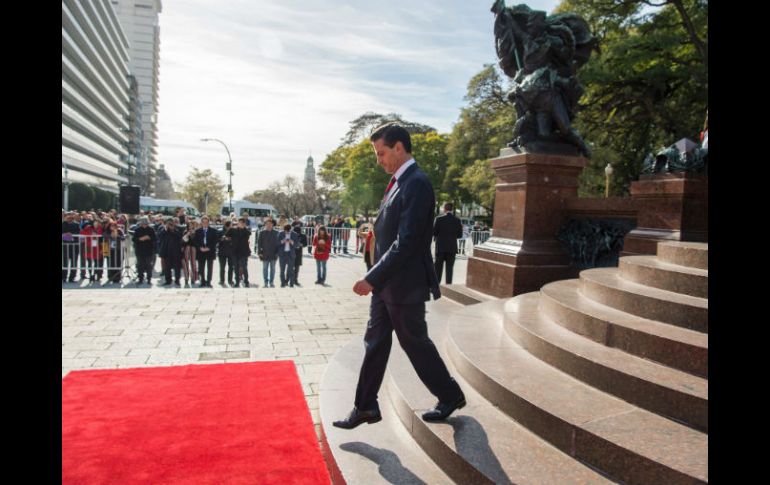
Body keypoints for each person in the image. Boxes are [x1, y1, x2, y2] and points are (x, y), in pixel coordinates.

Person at [334, 122, 465, 430]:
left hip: (404, 284)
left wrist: (372, 277)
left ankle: (450, 394)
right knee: (375, 342)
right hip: (387, 284)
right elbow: (392, 230)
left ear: (399, 148)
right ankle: (365, 406)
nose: (378, 160)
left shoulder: (417, 183)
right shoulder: (398, 181)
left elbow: (407, 241)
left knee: (415, 343)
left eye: (381, 153)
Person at [433, 202, 463, 285]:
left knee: (438, 268)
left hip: (441, 247)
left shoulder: (439, 219)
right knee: (449, 268)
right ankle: (448, 286)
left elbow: (434, 232)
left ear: (445, 209)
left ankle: (436, 285)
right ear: (452, 209)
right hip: (452, 247)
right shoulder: (457, 220)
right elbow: (460, 235)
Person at [194, 215, 219, 287]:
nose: (205, 223)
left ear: (208, 223)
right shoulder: (197, 231)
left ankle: (209, 281)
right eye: (203, 222)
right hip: (201, 251)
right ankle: (202, 281)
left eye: (206, 222)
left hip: (210, 251)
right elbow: (196, 241)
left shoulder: (213, 231)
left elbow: (215, 241)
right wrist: (200, 248)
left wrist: (209, 247)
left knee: (209, 268)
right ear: (201, 223)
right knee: (201, 268)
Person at [158, 217, 182, 286]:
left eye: (171, 223)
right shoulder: (163, 229)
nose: (170, 224)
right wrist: (165, 229)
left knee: (177, 267)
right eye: (168, 223)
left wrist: (173, 229)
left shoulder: (178, 228)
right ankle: (168, 280)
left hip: (176, 251)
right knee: (167, 267)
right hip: (166, 251)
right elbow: (159, 237)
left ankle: (177, 280)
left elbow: (179, 237)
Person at [133, 216, 157, 285]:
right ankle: (140, 278)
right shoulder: (137, 230)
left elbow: (155, 238)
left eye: (146, 223)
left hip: (149, 250)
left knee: (149, 265)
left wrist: (148, 237)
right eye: (143, 223)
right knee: (140, 265)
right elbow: (134, 239)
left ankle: (149, 278)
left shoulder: (151, 230)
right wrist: (140, 239)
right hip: (140, 250)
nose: (144, 225)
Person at [257, 219, 280, 287]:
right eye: (267, 224)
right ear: (265, 225)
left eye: (270, 224)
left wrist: (278, 253)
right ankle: (265, 282)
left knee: (273, 269)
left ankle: (272, 282)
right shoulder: (262, 233)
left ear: (272, 225)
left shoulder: (276, 233)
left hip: (274, 254)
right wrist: (259, 252)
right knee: (265, 269)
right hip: (264, 253)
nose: (269, 225)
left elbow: (279, 244)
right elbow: (259, 243)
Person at [231, 217, 252, 287]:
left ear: (244, 223)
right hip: (235, 251)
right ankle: (237, 282)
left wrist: (244, 227)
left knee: (244, 267)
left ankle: (246, 281)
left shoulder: (246, 230)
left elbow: (249, 234)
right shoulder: (234, 230)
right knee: (236, 268)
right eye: (239, 223)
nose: (240, 224)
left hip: (244, 252)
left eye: (241, 223)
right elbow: (226, 235)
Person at [62, 212, 81, 282]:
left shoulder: (76, 224)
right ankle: (63, 277)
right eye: (68, 216)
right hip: (65, 246)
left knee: (74, 263)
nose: (69, 218)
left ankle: (72, 277)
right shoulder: (63, 224)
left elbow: (78, 234)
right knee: (65, 263)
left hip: (74, 246)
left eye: (71, 216)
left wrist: (69, 235)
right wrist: (67, 235)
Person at [278, 223, 299, 288]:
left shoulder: (294, 234)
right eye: (285, 231)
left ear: (291, 230)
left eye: (288, 231)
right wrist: (282, 241)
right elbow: (277, 243)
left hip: (291, 254)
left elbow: (297, 245)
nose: (287, 232)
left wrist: (291, 241)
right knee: (282, 270)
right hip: (282, 254)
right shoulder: (281, 233)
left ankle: (291, 283)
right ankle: (283, 283)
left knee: (291, 270)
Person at [181, 219, 199, 287]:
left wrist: (193, 234)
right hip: (186, 248)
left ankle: (193, 278)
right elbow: (183, 240)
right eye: (189, 225)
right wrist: (187, 235)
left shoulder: (196, 232)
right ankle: (186, 278)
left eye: (192, 225)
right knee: (186, 264)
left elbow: (196, 241)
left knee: (193, 263)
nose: (191, 226)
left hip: (193, 248)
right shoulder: (185, 231)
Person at [217, 220, 235, 286]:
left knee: (231, 267)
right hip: (222, 251)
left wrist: (231, 239)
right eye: (231, 225)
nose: (231, 226)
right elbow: (216, 240)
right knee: (222, 267)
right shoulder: (220, 231)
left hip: (231, 251)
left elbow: (236, 240)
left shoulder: (234, 231)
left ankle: (230, 280)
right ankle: (222, 280)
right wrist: (222, 239)